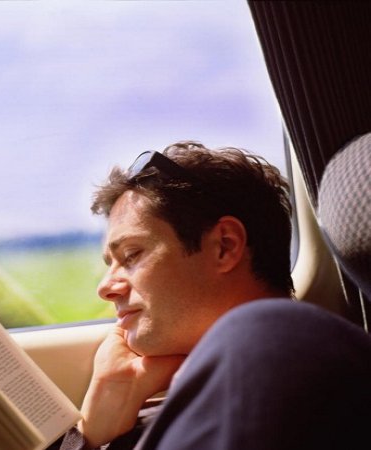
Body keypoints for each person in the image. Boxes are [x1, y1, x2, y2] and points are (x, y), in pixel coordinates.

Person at [54, 141, 371, 449]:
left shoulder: (276, 343)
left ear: (225, 246)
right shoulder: (157, 405)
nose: (105, 288)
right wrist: (91, 431)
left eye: (131, 255)